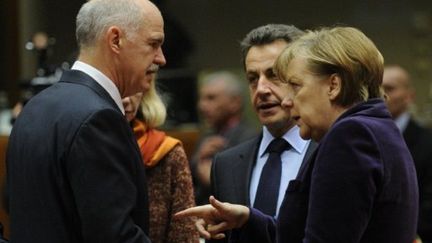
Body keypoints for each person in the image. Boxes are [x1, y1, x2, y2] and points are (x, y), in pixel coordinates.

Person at [175, 26, 419, 243]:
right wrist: (249, 219)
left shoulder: (349, 135)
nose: (288, 101)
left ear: (333, 86)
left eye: (295, 85)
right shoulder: (377, 127)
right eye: (252, 78)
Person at [6, 0, 166, 242]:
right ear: (115, 40)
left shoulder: (34, 108)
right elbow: (115, 236)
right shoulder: (99, 118)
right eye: (153, 44)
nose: (161, 59)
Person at [208, 24, 317, 243]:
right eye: (252, 78)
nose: (261, 89)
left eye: (273, 75)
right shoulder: (226, 164)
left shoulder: (329, 152)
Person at [122, 79, 200, 243]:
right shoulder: (83, 147)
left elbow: (184, 234)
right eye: (118, 89)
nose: (126, 99)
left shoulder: (167, 152)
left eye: (133, 88)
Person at [383, 65, 432, 243]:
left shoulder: (427, 143)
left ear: (409, 96)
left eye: (390, 88)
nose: (382, 95)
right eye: (378, 88)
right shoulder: (364, 136)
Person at [192, 71, 257, 205]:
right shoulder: (206, 137)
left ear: (235, 102)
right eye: (201, 98)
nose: (201, 106)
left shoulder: (251, 138)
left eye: (211, 98)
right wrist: (198, 158)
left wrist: (214, 179)